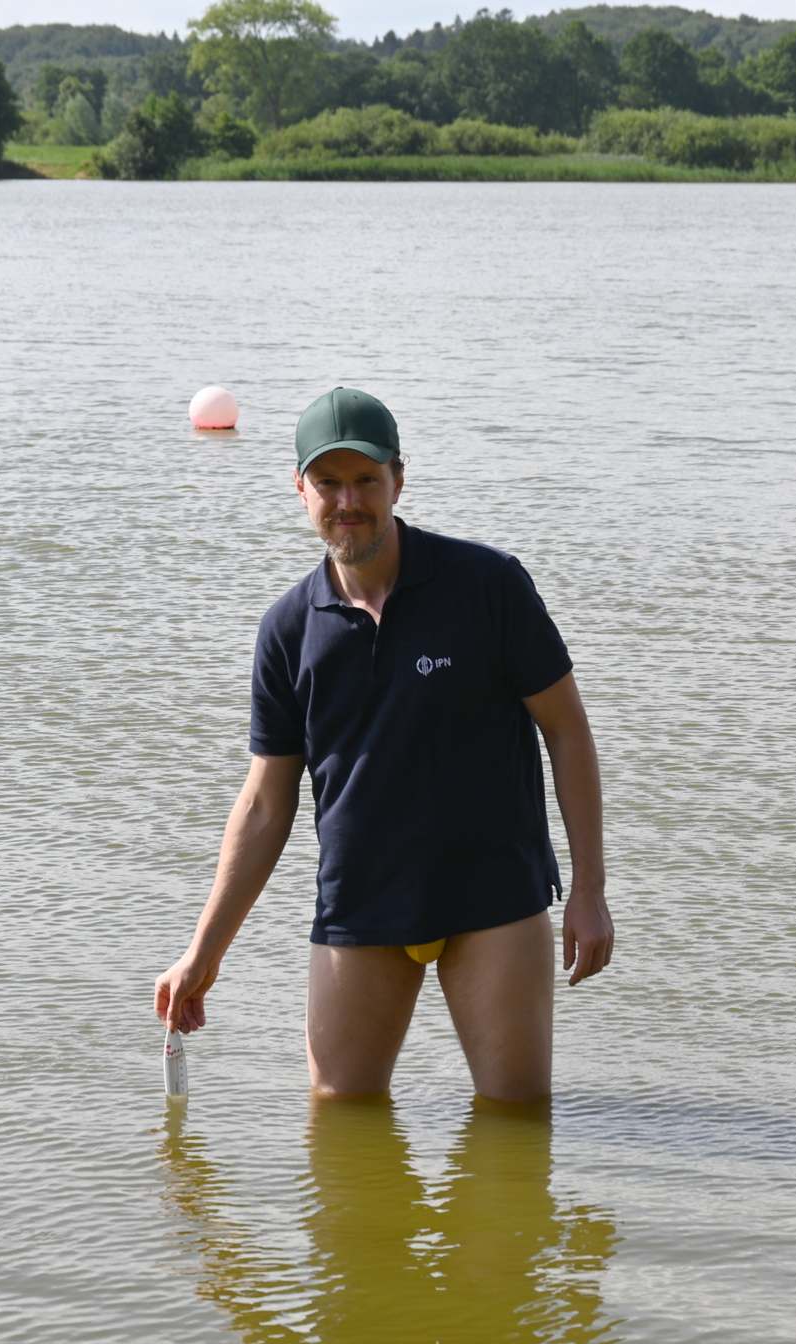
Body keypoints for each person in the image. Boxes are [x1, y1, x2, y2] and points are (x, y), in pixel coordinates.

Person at [154, 387, 613, 1102]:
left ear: (399, 478)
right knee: (341, 1122)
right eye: (329, 483)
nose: (348, 502)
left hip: (492, 895)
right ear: (298, 486)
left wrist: (589, 890)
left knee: (514, 1118)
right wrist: (204, 951)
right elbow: (265, 804)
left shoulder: (487, 585)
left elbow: (567, 730)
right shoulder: (287, 630)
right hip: (360, 902)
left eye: (366, 480)